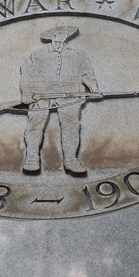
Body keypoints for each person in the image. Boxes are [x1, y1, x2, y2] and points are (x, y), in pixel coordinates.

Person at [19, 25, 100, 176]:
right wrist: (26, 93)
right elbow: (26, 75)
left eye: (63, 33)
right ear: (51, 36)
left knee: (71, 126)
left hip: (70, 94)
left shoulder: (78, 55)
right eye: (56, 34)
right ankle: (32, 158)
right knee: (35, 124)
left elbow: (87, 73)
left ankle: (71, 160)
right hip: (41, 94)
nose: (60, 36)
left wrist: (94, 90)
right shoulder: (37, 54)